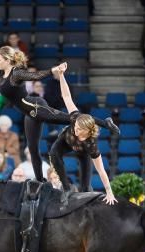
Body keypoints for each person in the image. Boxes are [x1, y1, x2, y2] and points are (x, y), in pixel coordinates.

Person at [0, 46, 119, 182]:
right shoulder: (4, 70)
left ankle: (105, 123)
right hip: (29, 114)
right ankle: (40, 181)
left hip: (36, 108)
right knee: (33, 150)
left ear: (7, 61)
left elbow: (35, 76)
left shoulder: (16, 73)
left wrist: (54, 70)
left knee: (73, 118)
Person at [49, 63, 117, 204]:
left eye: (80, 129)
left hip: (82, 151)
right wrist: (61, 75)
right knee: (54, 152)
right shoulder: (75, 118)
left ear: (88, 130)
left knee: (86, 186)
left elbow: (101, 171)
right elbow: (66, 96)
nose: (76, 129)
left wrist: (109, 192)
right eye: (76, 127)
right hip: (66, 142)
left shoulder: (91, 144)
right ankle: (66, 188)